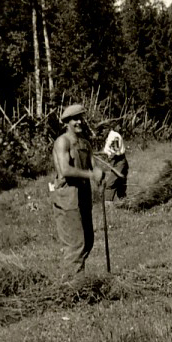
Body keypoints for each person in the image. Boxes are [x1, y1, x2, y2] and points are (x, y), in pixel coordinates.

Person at [50, 103, 104, 276]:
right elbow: (65, 170)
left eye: (80, 118)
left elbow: (93, 167)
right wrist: (90, 175)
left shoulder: (85, 144)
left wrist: (100, 175)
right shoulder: (62, 142)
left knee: (88, 241)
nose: (79, 122)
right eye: (74, 119)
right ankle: (70, 288)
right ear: (67, 122)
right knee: (75, 245)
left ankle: (75, 280)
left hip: (83, 197)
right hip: (67, 198)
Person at [101, 124, 129, 202]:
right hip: (119, 161)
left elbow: (116, 149)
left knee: (110, 184)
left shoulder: (114, 136)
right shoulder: (110, 136)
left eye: (103, 130)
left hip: (119, 161)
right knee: (120, 184)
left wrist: (110, 156)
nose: (102, 132)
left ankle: (108, 204)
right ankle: (123, 202)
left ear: (107, 129)